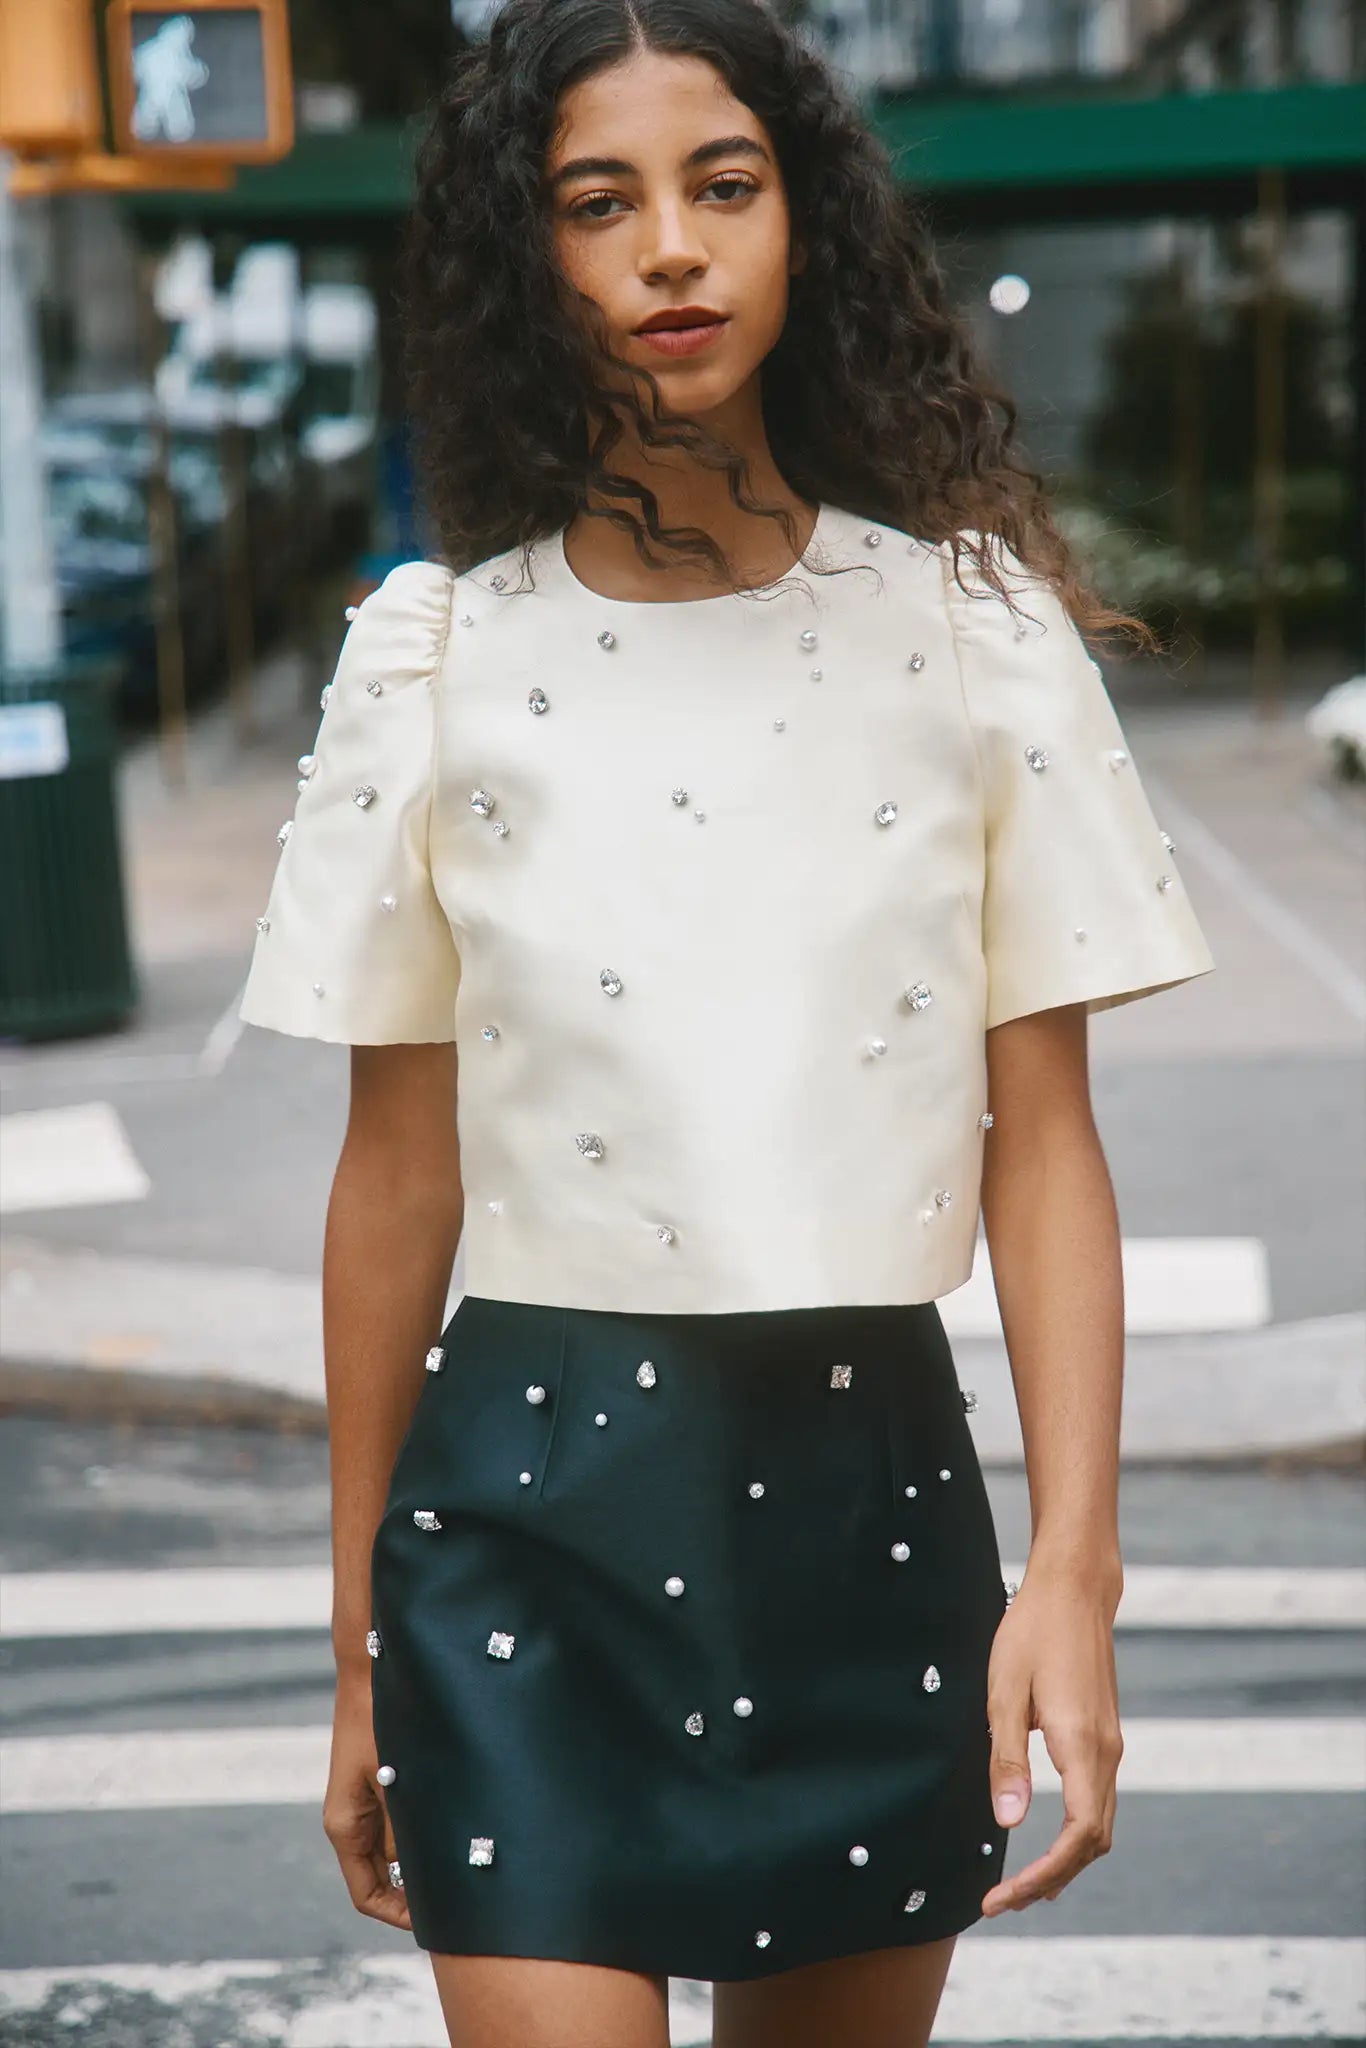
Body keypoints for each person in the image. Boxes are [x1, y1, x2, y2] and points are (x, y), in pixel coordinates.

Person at [237, 2, 1215, 2042]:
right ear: (527, 258)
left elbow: (1044, 1147)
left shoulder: (970, 639)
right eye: (597, 201)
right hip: (517, 1525)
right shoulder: (431, 660)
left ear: (803, 222)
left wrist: (1074, 1574)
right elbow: (393, 1180)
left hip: (864, 1503)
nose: (670, 245)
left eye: (723, 184)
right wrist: (354, 1651)